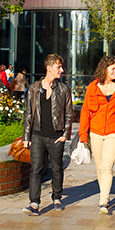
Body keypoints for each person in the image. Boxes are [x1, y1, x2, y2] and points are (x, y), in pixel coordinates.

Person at [79, 56, 115, 214]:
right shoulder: (93, 87)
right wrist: (83, 135)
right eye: (113, 68)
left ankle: (103, 201)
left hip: (114, 132)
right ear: (104, 68)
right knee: (99, 168)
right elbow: (85, 112)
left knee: (107, 166)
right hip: (95, 132)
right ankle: (105, 196)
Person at [22, 54, 73, 216]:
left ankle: (57, 198)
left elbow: (69, 115)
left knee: (57, 168)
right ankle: (34, 203)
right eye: (59, 67)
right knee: (35, 169)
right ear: (49, 68)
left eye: (61, 67)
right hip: (37, 135)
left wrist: (65, 135)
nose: (62, 70)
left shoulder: (64, 89)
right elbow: (28, 114)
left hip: (56, 136)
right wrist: (26, 137)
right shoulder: (33, 88)